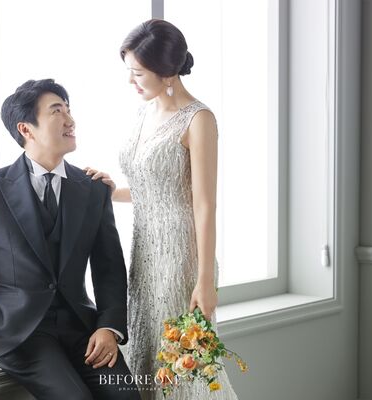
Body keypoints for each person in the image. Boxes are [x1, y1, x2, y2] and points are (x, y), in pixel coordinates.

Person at [0, 79, 140, 400]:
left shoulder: (93, 188)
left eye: (69, 110)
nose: (70, 120)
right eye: (56, 111)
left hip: (81, 328)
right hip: (19, 333)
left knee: (126, 396)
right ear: (26, 129)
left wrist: (108, 327)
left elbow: (109, 268)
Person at [85, 20, 239, 399]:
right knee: (147, 355)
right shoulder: (144, 112)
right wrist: (114, 191)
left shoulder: (199, 120)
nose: (131, 81)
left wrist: (205, 280)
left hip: (181, 260)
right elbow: (154, 187)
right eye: (129, 71)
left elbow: (204, 204)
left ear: (167, 72)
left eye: (138, 73)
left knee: (183, 367)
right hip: (144, 256)